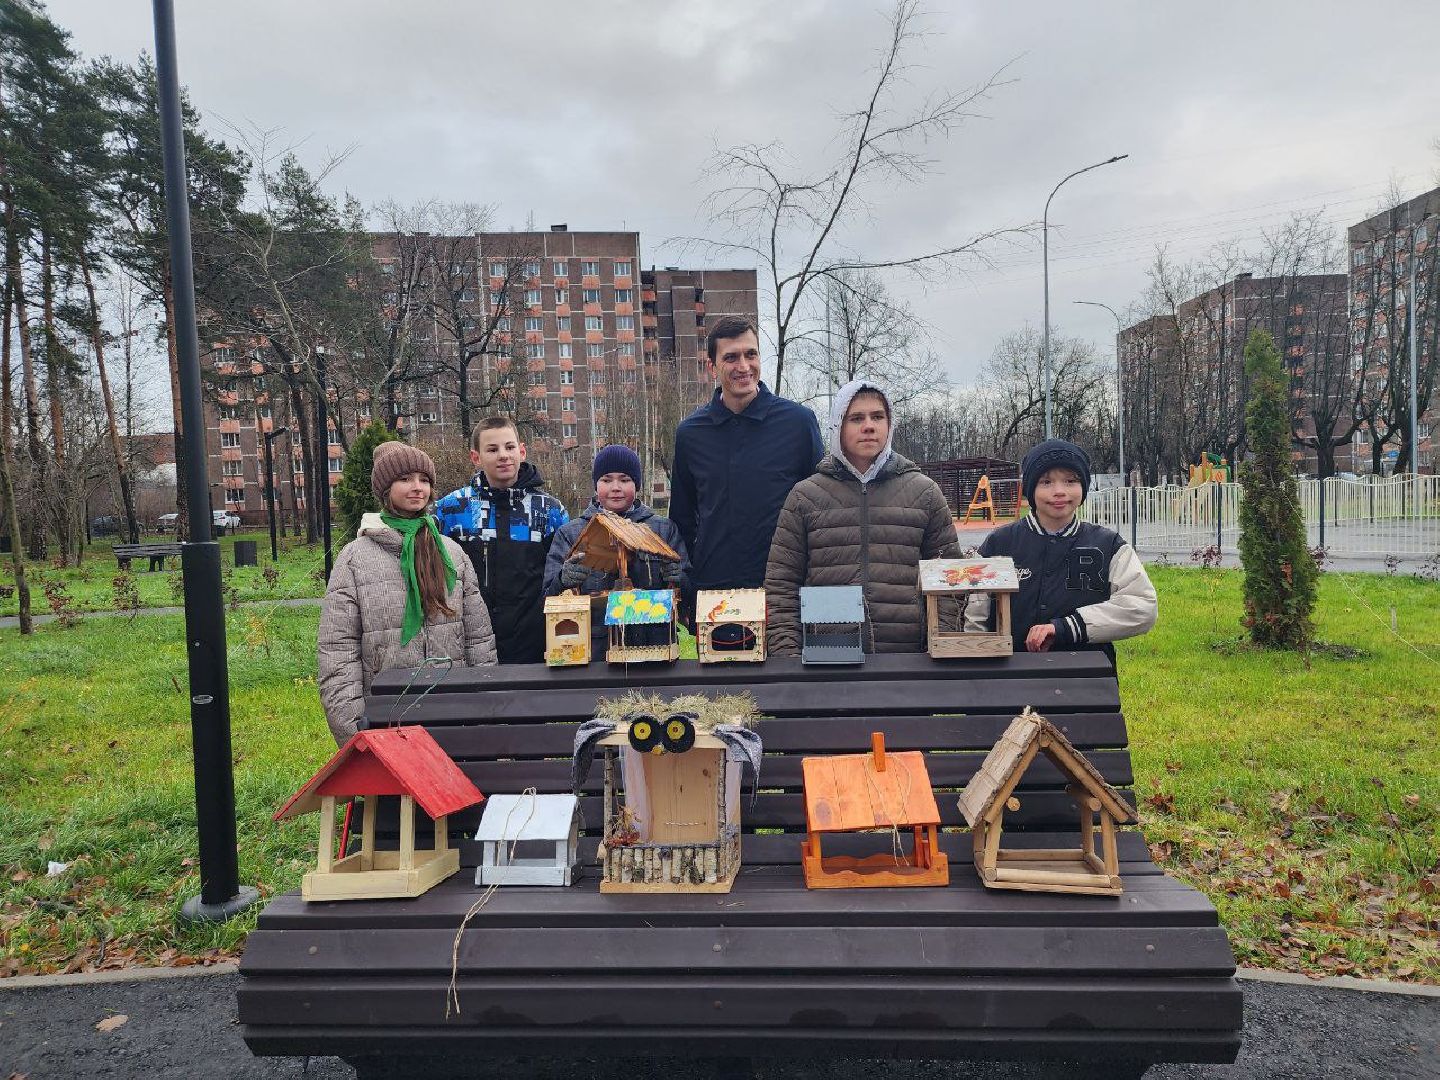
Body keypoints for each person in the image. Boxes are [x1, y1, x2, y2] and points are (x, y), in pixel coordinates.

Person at [764, 379, 961, 655]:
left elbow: (950, 585)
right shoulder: (804, 497)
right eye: (856, 418)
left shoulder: (925, 494)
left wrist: (941, 648)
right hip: (827, 663)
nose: (869, 426)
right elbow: (781, 585)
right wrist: (789, 656)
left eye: (877, 416)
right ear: (838, 426)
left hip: (909, 662)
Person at [318, 441, 496, 743]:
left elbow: (478, 640)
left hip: (451, 716)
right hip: (384, 717)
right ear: (385, 489)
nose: (417, 487)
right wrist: (353, 728)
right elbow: (338, 649)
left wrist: (480, 710)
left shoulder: (452, 555)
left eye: (424, 480)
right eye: (405, 479)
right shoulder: (355, 559)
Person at [670, 315, 823, 604]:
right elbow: (682, 519)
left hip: (786, 587)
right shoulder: (690, 434)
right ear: (711, 367)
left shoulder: (798, 423)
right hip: (715, 591)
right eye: (731, 357)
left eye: (750, 354)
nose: (743, 366)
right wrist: (687, 586)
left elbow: (820, 509)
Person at [965, 438, 1157, 659]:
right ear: (1030, 489)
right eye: (1046, 482)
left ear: (1083, 488)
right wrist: (976, 672)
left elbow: (1143, 607)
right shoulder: (999, 544)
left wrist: (1066, 628)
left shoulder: (1109, 545)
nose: (1059, 491)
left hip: (1087, 680)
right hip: (1011, 678)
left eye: (1070, 481)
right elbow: (975, 618)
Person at [435, 416, 569, 663]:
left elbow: (561, 581)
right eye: (492, 449)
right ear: (476, 458)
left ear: (522, 450)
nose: (503, 456)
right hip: (472, 644)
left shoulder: (549, 511)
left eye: (509, 447)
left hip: (535, 647)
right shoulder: (452, 510)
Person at [543, 444, 689, 654]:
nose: (615, 487)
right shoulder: (571, 533)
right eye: (606, 479)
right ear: (596, 485)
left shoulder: (663, 530)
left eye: (625, 479)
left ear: (637, 485)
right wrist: (562, 580)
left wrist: (679, 577)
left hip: (655, 647)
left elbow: (688, 592)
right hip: (596, 653)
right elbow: (548, 595)